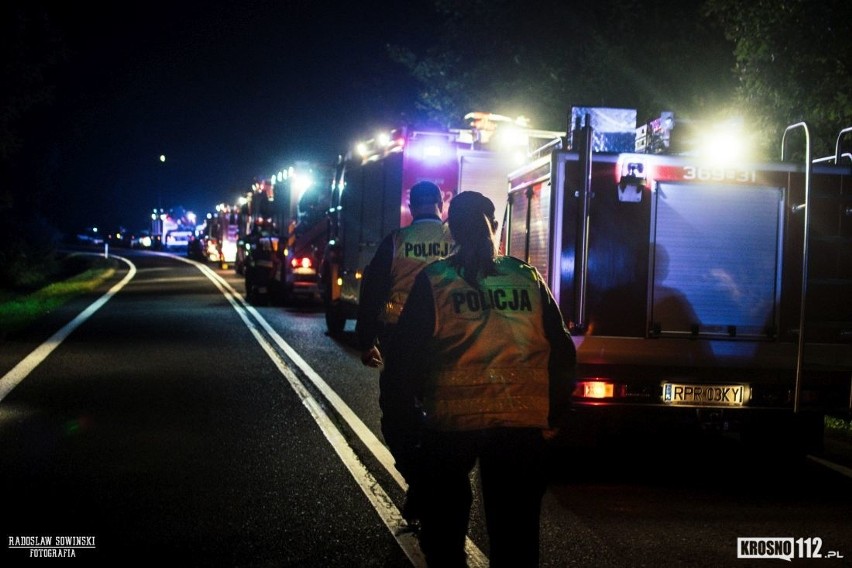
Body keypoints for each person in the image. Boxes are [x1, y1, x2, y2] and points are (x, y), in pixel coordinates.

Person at [384, 191, 576, 567]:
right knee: (516, 541)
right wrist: (554, 414)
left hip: (450, 430)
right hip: (521, 430)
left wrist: (405, 438)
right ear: (496, 226)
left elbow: (403, 364)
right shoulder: (527, 278)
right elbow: (563, 351)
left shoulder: (436, 282)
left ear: (452, 230)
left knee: (444, 539)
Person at [355, 180, 454, 525]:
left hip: (401, 343)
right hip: (450, 342)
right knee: (447, 418)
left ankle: (418, 481)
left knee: (397, 416)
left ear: (412, 207)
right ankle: (440, 487)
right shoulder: (454, 241)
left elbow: (372, 293)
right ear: (440, 206)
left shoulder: (396, 242)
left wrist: (366, 340)